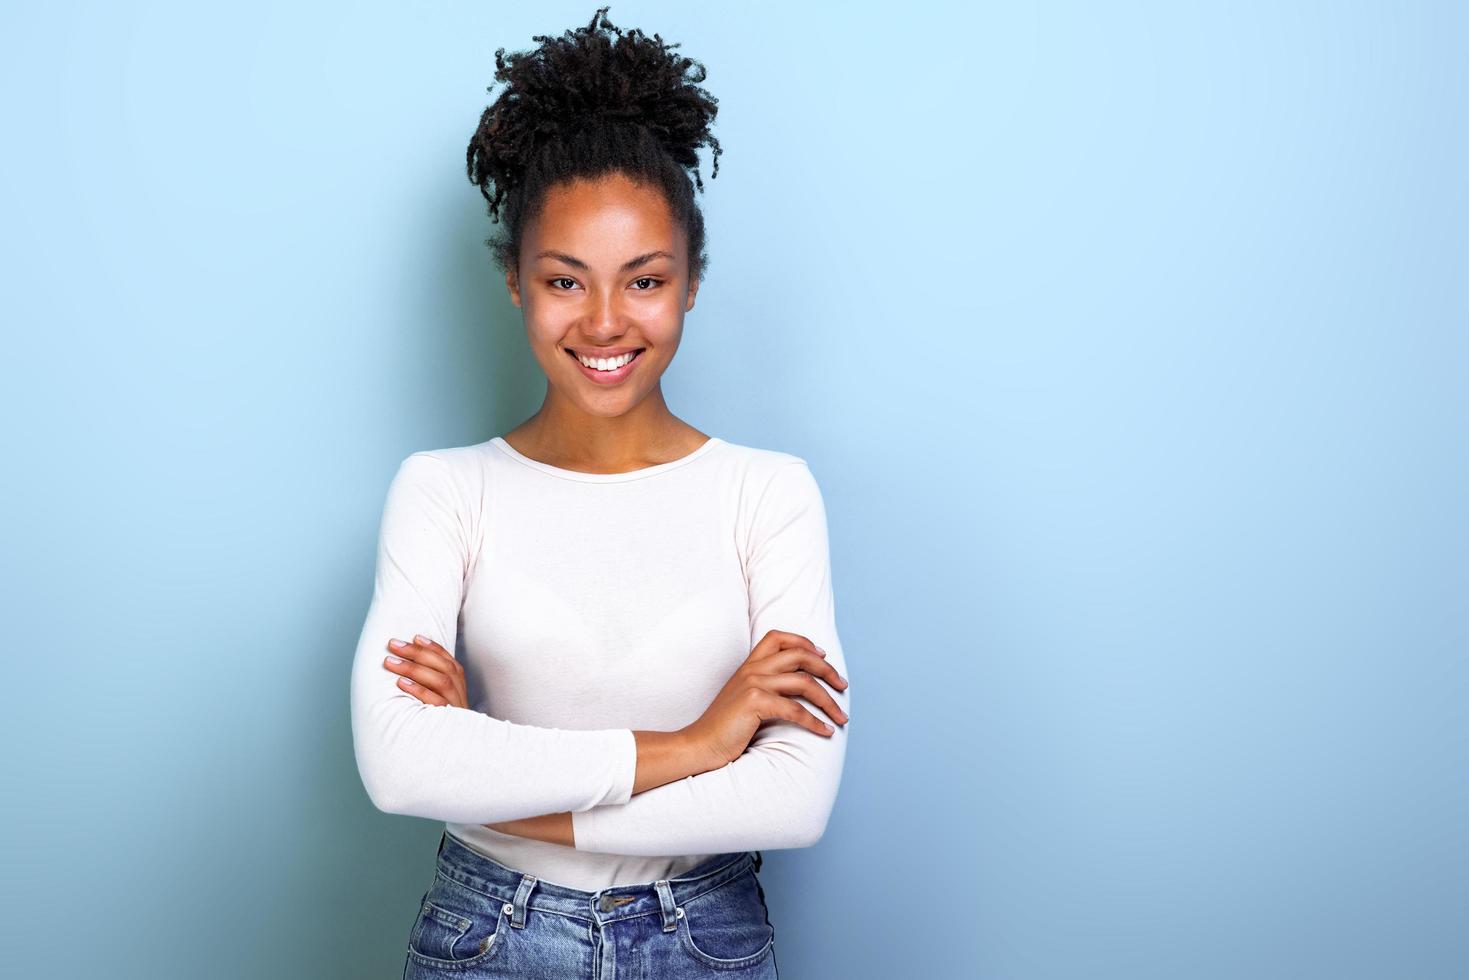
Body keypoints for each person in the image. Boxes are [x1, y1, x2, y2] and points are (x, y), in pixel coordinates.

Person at [348, 7, 851, 977]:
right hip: (487, 932)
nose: (607, 321)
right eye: (565, 281)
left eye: (645, 279)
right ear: (514, 281)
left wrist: (485, 773)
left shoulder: (767, 495)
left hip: (703, 935)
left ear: (691, 280)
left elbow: (792, 796)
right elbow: (396, 760)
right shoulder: (445, 492)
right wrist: (700, 742)